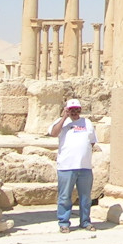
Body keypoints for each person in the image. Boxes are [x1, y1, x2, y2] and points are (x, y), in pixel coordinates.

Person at [49, 98, 98, 232]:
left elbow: (92, 141)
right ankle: (63, 222)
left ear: (80, 110)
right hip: (66, 166)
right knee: (65, 196)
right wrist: (64, 117)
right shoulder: (62, 123)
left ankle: (85, 221)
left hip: (84, 167)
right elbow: (53, 133)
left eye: (77, 110)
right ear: (67, 110)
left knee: (85, 197)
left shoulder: (87, 122)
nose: (74, 112)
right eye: (72, 110)